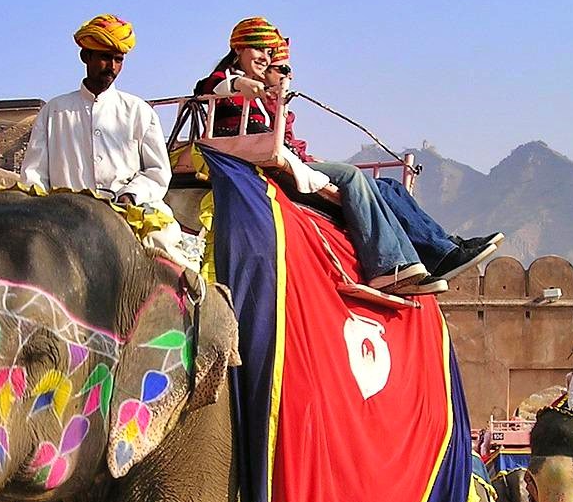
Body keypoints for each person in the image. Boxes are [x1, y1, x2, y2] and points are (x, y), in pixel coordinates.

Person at [194, 18, 440, 295]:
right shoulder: (227, 83)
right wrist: (240, 83)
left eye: (269, 53)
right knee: (351, 176)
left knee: (380, 187)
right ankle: (386, 266)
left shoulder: (265, 95)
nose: (264, 57)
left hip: (283, 157)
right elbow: (209, 86)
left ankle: (414, 259)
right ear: (238, 48)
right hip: (255, 159)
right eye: (258, 49)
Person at [261, 38, 503, 283]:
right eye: (282, 69)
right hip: (286, 168)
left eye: (288, 70)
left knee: (391, 187)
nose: (287, 76)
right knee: (353, 176)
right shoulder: (246, 94)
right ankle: (391, 263)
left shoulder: (273, 101)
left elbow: (292, 144)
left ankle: (444, 249)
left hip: (299, 162)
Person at [20, 14, 192, 270]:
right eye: (104, 57)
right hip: (65, 218)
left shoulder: (139, 111)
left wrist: (130, 196)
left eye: (118, 59)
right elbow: (33, 175)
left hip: (130, 215)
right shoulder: (55, 111)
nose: (111, 66)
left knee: (169, 258)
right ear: (85, 57)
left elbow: (157, 173)